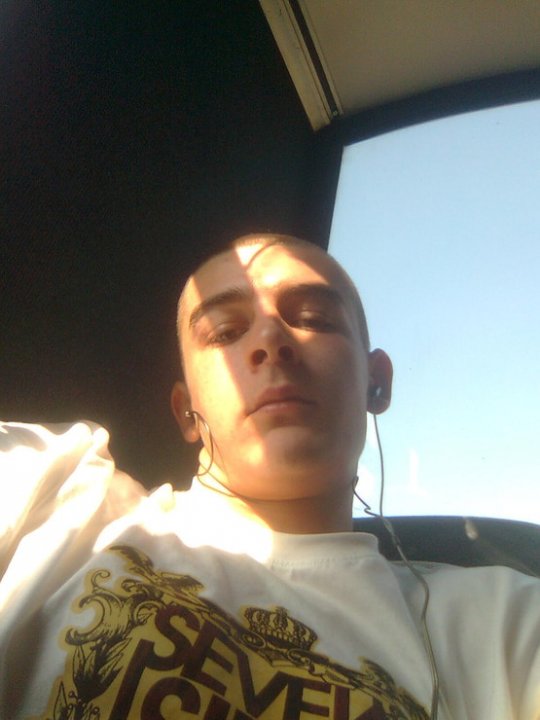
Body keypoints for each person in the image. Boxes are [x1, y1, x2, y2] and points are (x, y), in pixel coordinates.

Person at [0, 233, 538, 720]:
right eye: (226, 332)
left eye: (314, 319)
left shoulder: (499, 623)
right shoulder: (59, 493)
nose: (270, 340)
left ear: (377, 383)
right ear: (186, 413)